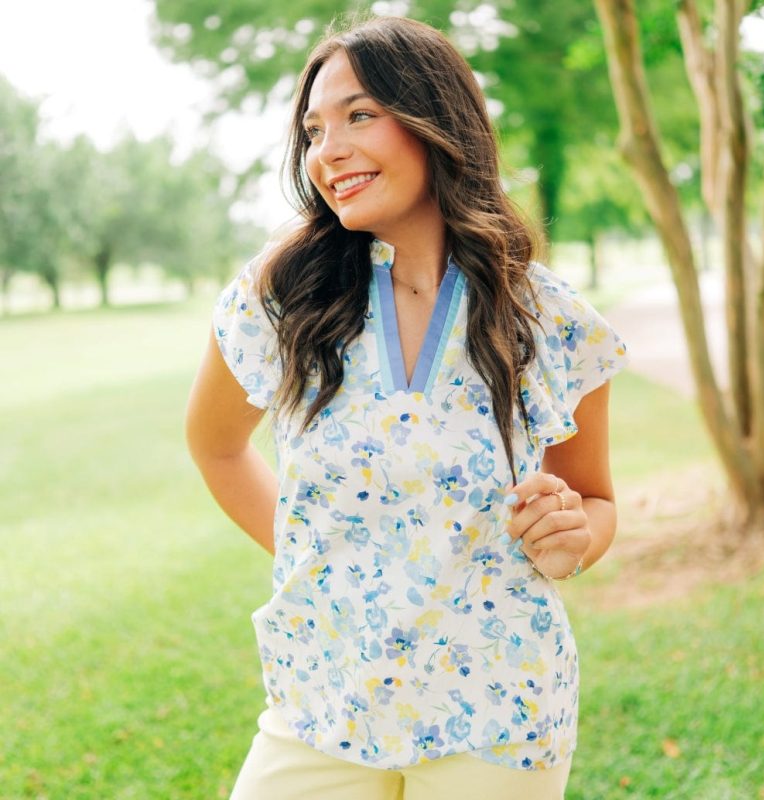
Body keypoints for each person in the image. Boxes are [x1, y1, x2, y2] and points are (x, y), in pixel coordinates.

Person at [185, 15, 629, 800]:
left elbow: (593, 500)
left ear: (436, 121)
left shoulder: (550, 320)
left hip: (499, 710)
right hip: (322, 702)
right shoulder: (280, 296)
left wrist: (571, 537)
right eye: (314, 130)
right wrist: (320, 564)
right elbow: (216, 446)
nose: (329, 150)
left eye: (360, 115)